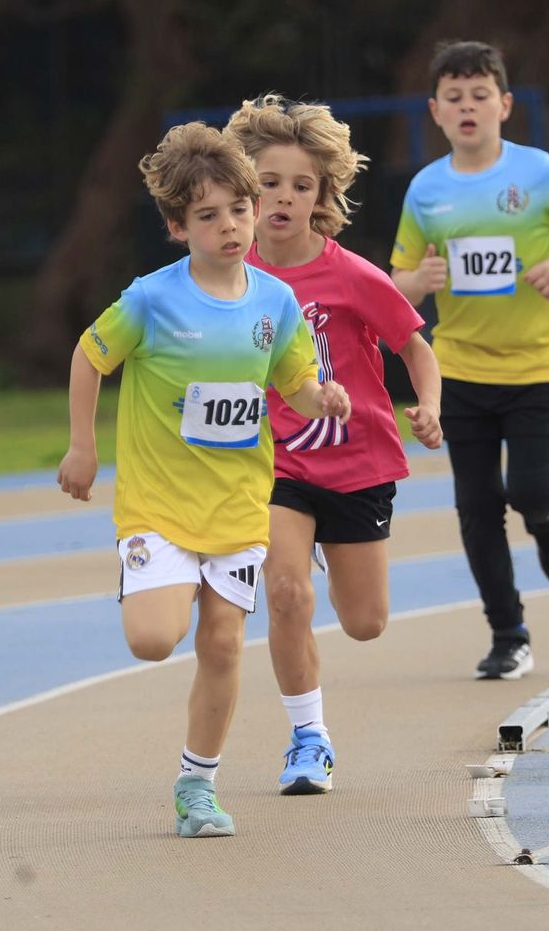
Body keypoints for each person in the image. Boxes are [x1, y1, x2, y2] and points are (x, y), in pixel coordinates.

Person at [57, 122, 351, 838]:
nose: (230, 227)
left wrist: (323, 398)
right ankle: (163, 580)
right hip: (159, 505)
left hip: (240, 507)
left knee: (221, 646)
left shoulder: (275, 303)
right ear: (177, 226)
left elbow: (294, 381)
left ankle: (197, 787)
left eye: (239, 211)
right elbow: (89, 357)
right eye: (209, 216)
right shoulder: (151, 300)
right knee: (154, 640)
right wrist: (81, 448)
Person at [224, 94, 444, 795]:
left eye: (301, 185)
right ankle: (308, 739)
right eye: (268, 183)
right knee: (286, 593)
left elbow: (415, 347)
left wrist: (430, 406)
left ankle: (326, 543)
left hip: (356, 461)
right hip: (275, 462)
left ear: (321, 196)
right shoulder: (228, 277)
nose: (283, 198)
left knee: (366, 623)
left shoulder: (352, 276)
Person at [389, 40, 549, 680]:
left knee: (528, 491)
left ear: (505, 105)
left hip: (536, 366)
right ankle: (508, 634)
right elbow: (396, 283)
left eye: (480, 95)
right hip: (460, 368)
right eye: (455, 98)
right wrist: (422, 279)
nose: (469, 108)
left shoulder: (540, 174)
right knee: (476, 505)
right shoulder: (426, 189)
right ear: (436, 112)